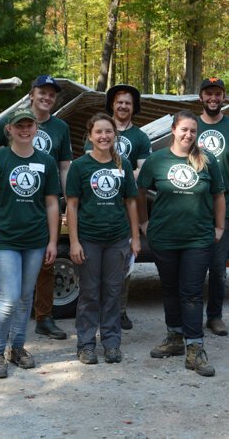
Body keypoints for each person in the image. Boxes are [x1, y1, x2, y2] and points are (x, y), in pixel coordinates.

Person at [0, 75, 72, 340]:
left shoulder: (59, 129)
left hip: (41, 215)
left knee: (35, 283)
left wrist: (68, 201)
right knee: (10, 296)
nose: (47, 98)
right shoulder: (10, 131)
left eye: (52, 94)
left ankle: (32, 330)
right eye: (42, 92)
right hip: (9, 220)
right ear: (31, 94)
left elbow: (64, 168)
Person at [137, 110, 225, 377]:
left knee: (192, 292)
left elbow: (219, 195)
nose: (188, 135)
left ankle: (195, 347)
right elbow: (139, 191)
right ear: (173, 130)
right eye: (184, 129)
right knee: (169, 288)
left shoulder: (207, 161)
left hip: (197, 238)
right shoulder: (156, 160)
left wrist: (219, 227)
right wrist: (144, 223)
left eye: (193, 131)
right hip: (164, 236)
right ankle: (174, 337)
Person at [0, 108, 60, 378]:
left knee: (26, 298)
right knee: (9, 299)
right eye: (19, 126)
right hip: (5, 240)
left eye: (29, 125)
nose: (25, 130)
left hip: (35, 240)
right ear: (9, 130)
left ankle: (17, 347)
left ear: (36, 129)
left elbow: (51, 204)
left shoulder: (46, 161)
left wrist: (52, 241)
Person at [68, 113, 141, 364]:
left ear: (115, 135)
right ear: (90, 136)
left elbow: (131, 202)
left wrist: (135, 238)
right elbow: (72, 205)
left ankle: (111, 343)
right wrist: (74, 242)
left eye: (108, 132)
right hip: (88, 239)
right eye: (98, 132)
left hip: (117, 240)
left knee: (113, 293)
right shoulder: (80, 166)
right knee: (89, 294)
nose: (104, 136)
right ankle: (86, 344)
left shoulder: (123, 165)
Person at [84, 84, 151, 330]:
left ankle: (119, 310)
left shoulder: (140, 137)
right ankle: (96, 312)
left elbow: (144, 169)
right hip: (96, 205)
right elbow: (89, 164)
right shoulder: (99, 130)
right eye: (119, 101)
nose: (123, 106)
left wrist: (121, 174)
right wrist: (117, 173)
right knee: (94, 265)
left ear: (134, 108)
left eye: (128, 103)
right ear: (112, 104)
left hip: (124, 206)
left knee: (124, 264)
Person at [196, 77, 229, 336]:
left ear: (224, 97)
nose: (213, 98)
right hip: (194, 202)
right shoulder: (191, 126)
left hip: (223, 202)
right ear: (201, 97)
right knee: (192, 263)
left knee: (217, 266)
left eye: (217, 94)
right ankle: (189, 317)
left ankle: (214, 316)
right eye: (208, 94)